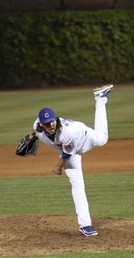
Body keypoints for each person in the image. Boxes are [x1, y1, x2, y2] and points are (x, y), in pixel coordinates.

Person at [28, 84, 114, 236]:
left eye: (53, 121)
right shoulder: (37, 124)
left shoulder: (66, 133)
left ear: (56, 119)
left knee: (103, 139)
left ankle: (100, 98)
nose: (51, 124)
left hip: (84, 138)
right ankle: (85, 225)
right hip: (68, 151)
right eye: (47, 123)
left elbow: (67, 153)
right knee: (77, 185)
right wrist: (31, 136)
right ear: (41, 123)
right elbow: (36, 129)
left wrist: (58, 166)